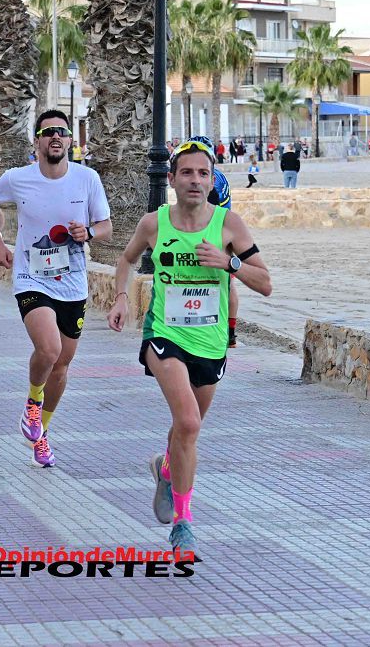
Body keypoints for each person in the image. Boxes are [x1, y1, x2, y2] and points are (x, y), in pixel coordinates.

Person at [106, 139, 272, 554]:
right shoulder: (154, 224)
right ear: (173, 179)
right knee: (190, 423)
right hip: (164, 334)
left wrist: (229, 262)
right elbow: (126, 259)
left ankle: (165, 469)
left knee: (186, 427)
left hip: (211, 342)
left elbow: (265, 283)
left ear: (212, 179)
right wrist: (122, 297)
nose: (195, 180)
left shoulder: (229, 224)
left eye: (203, 173)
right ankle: (184, 522)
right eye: (187, 173)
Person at [0, 109, 112, 468]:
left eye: (62, 132)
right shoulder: (18, 178)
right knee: (50, 348)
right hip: (31, 278)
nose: (55, 137)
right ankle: (32, 403)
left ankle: (41, 433)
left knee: (63, 364)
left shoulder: (87, 179)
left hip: (72, 283)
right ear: (37, 141)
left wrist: (89, 233)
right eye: (48, 131)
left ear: (71, 141)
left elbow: (106, 226)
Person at [190, 136, 240, 348]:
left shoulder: (211, 180)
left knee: (211, 281)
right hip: (227, 232)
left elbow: (203, 211)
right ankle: (230, 333)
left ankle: (215, 328)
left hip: (214, 233)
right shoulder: (218, 176)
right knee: (228, 284)